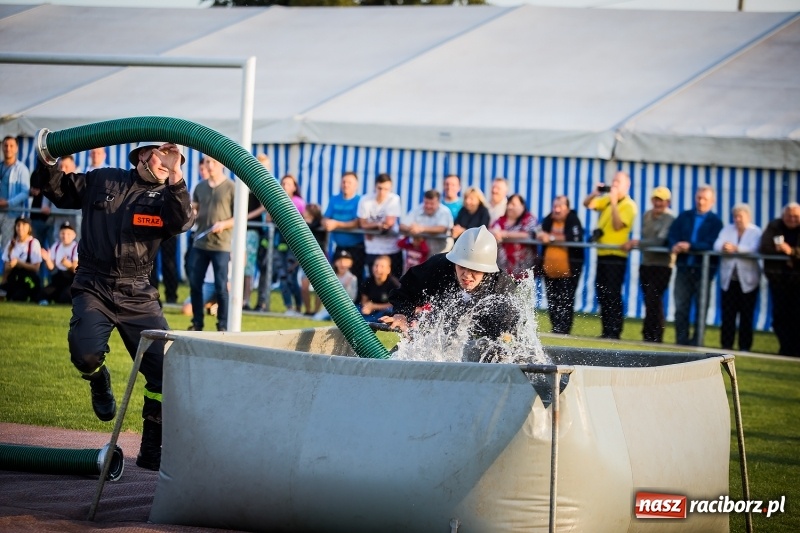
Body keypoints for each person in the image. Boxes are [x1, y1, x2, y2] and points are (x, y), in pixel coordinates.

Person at [34, 139, 193, 471]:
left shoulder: (168, 196)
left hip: (138, 293)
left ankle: (151, 446)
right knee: (85, 353)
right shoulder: (104, 179)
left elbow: (181, 222)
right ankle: (98, 380)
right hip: (94, 284)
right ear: (142, 157)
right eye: (161, 154)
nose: (167, 160)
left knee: (165, 370)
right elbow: (58, 189)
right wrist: (48, 158)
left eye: (173, 157)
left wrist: (177, 172)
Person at [381, 226, 519, 361]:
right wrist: (401, 314)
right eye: (462, 267)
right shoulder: (439, 267)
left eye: (474, 270)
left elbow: (512, 333)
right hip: (440, 330)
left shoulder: (502, 289)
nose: (466, 275)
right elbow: (405, 291)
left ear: (487, 271)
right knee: (398, 358)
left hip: (483, 339)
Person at [583, 171, 638, 339]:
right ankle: (606, 330)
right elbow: (588, 204)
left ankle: (615, 331)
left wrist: (614, 203)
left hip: (616, 256)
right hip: (602, 254)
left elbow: (617, 225)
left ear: (626, 185)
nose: (614, 184)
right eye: (613, 181)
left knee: (613, 293)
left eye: (618, 182)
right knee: (602, 292)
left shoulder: (629, 205)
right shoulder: (606, 199)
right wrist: (595, 193)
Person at [668, 184, 723, 346]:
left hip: (703, 272)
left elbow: (713, 243)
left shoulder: (716, 222)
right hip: (684, 268)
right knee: (680, 307)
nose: (700, 201)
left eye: (704, 199)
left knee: (701, 308)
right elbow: (672, 234)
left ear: (712, 201)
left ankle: (697, 342)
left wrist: (690, 246)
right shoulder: (684, 216)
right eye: (699, 198)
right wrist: (675, 245)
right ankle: (681, 340)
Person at [621, 186, 675, 343]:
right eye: (656, 199)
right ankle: (649, 333)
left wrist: (638, 243)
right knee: (649, 299)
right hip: (647, 263)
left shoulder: (670, 218)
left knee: (654, 298)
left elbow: (660, 241)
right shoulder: (646, 215)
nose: (658, 203)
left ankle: (654, 334)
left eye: (661, 200)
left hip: (663, 264)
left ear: (667, 202)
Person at [188, 156, 234, 332]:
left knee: (221, 286)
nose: (210, 165)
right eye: (207, 162)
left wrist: (224, 224)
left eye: (214, 162)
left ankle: (222, 325)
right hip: (200, 243)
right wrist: (191, 213)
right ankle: (197, 323)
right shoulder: (200, 187)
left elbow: (239, 217)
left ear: (221, 164)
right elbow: (195, 211)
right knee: (194, 283)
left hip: (221, 245)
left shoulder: (231, 187)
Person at [714, 204, 762, 352]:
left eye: (740, 216)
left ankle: (744, 346)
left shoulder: (755, 231)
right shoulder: (728, 229)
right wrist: (724, 247)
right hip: (729, 280)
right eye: (735, 216)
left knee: (746, 315)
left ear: (748, 217)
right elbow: (717, 244)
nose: (737, 219)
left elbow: (754, 248)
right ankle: (726, 345)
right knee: (728, 314)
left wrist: (736, 249)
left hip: (748, 281)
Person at [536, 195, 584, 335]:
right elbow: (537, 230)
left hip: (568, 271)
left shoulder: (573, 220)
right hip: (550, 270)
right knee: (552, 300)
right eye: (554, 206)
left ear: (567, 208)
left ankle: (564, 329)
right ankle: (556, 327)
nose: (556, 210)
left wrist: (550, 238)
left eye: (560, 206)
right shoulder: (549, 219)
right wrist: (541, 235)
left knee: (566, 300)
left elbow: (574, 238)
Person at [758, 202, 800, 357]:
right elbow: (763, 246)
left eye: (796, 216)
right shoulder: (774, 226)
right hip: (779, 280)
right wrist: (779, 251)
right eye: (789, 215)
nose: (792, 219)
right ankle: (785, 348)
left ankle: (796, 350)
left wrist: (792, 252)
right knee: (780, 318)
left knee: (796, 317)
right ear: (783, 216)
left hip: (797, 282)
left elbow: (793, 252)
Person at [322, 171, 365, 286]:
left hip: (356, 247)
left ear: (356, 185)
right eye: (344, 182)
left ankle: (356, 304)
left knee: (355, 278)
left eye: (349, 182)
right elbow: (325, 217)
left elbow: (357, 222)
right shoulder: (334, 199)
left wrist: (336, 224)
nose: (346, 184)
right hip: (339, 246)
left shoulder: (360, 200)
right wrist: (326, 223)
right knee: (335, 279)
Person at [358, 173, 403, 278]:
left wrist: (371, 227)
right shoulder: (365, 200)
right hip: (373, 249)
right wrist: (378, 225)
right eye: (380, 188)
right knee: (373, 282)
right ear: (375, 186)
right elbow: (362, 224)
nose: (382, 192)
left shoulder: (394, 199)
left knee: (394, 284)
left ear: (390, 188)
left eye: (386, 189)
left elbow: (389, 223)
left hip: (392, 248)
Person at [273, 174, 305, 316]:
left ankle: (298, 306)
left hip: (295, 245)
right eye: (283, 183)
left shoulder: (298, 202)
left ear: (294, 187)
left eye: (288, 184)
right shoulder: (275, 200)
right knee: (283, 277)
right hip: (279, 244)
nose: (285, 186)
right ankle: (289, 307)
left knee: (292, 277)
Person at [490, 193, 538, 279]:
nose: (510, 207)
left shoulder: (529, 219)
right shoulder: (501, 220)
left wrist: (506, 234)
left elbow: (529, 234)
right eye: (509, 204)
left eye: (514, 204)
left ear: (522, 206)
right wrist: (494, 232)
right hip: (502, 270)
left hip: (524, 271)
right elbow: (491, 229)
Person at [399, 189, 453, 257]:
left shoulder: (444, 211)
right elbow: (402, 225)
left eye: (432, 204)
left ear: (438, 202)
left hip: (441, 254)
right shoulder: (418, 208)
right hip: (422, 255)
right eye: (426, 203)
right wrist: (412, 229)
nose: (428, 206)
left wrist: (421, 229)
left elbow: (442, 228)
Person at [1, 216, 42, 302]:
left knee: (18, 296)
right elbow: (6, 267)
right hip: (14, 276)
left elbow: (36, 268)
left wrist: (19, 263)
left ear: (29, 228)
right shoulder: (11, 243)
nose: (20, 228)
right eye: (18, 225)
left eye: (24, 225)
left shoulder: (33, 243)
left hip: (28, 277)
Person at [0, 136, 31, 251]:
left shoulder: (22, 169)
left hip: (11, 214)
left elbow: (25, 192)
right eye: (6, 145)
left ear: (17, 148)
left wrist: (8, 203)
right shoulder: (0, 166)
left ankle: (4, 269)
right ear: (2, 147)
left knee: (7, 246)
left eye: (11, 146)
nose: (8, 148)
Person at [313, 248, 359, 321]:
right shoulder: (331, 276)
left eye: (346, 261)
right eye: (340, 261)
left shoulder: (352, 278)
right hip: (330, 307)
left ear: (351, 263)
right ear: (335, 262)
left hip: (344, 309)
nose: (342, 264)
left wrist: (346, 287)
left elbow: (352, 298)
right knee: (317, 318)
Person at [38, 220, 79, 305]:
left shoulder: (76, 247)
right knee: (43, 293)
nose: (65, 236)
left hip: (71, 279)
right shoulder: (56, 246)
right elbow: (51, 267)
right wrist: (47, 259)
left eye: (68, 234)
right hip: (59, 277)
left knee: (65, 297)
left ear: (74, 235)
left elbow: (75, 269)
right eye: (63, 233)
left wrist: (68, 265)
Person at [300, 203, 326, 315]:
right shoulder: (304, 223)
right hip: (306, 258)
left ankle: (316, 311)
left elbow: (316, 226)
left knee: (319, 287)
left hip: (319, 259)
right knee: (304, 285)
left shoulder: (319, 224)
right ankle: (308, 310)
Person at [358, 254, 400, 322]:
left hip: (386, 310)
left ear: (388, 269)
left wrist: (374, 306)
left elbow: (395, 304)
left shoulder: (394, 284)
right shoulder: (368, 281)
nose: (378, 269)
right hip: (372, 309)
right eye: (376, 266)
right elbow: (364, 300)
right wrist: (367, 307)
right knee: (356, 309)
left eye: (382, 266)